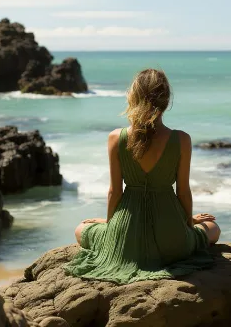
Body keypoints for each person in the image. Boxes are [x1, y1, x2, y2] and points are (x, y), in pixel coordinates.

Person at [64, 69, 220, 284]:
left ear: (133, 97)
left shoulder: (116, 137)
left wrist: (111, 224)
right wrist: (187, 221)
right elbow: (183, 190)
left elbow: (114, 191)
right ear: (166, 101)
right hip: (172, 236)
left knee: (81, 228)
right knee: (212, 228)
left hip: (126, 235)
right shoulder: (182, 139)